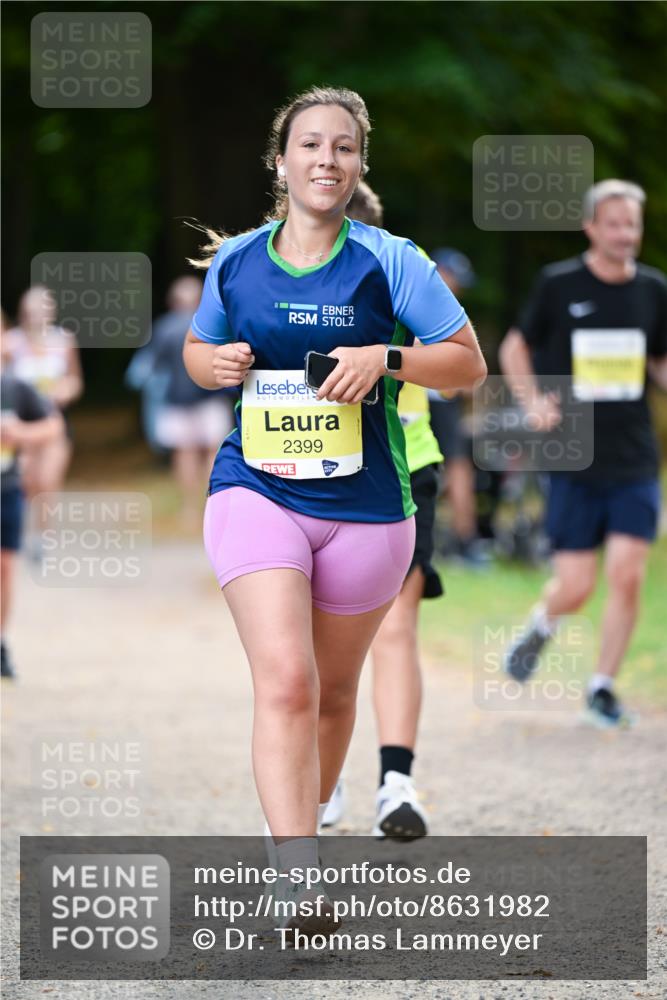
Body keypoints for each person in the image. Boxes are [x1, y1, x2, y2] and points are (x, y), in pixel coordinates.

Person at [182, 85, 486, 931]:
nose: (327, 160)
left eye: (344, 148)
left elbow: (466, 365)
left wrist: (385, 358)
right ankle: (297, 878)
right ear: (280, 161)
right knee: (285, 681)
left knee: (333, 692)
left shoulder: (393, 260)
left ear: (359, 165)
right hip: (256, 489)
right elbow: (198, 348)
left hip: (367, 510)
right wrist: (214, 366)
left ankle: (303, 830)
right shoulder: (238, 259)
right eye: (310, 145)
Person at [499, 180, 667, 727]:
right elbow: (514, 346)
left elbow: (660, 361)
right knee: (577, 584)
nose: (626, 235)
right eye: (615, 224)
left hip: (634, 455)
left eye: (633, 225)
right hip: (572, 452)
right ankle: (542, 625)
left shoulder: (653, 290)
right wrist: (530, 403)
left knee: (627, 574)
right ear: (591, 227)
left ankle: (602, 687)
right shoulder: (558, 284)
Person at [322, 181, 444, 840]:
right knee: (317, 640)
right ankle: (323, 774)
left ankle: (395, 784)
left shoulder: (402, 265)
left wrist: (385, 360)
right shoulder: (276, 269)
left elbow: (454, 357)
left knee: (395, 625)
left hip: (404, 465)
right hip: (311, 472)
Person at [3, 286, 83, 555]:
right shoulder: (12, 342)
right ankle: (20, 532)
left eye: (44, 309)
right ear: (23, 312)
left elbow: (75, 379)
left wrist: (66, 390)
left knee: (47, 480)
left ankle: (43, 538)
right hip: (20, 424)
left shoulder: (64, 340)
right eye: (33, 310)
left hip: (54, 421)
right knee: (26, 480)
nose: (39, 314)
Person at [151, 276, 235, 527]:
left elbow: (155, 367)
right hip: (213, 398)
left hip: (176, 400)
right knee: (213, 452)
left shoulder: (163, 327)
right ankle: (213, 505)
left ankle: (189, 508)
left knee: (184, 452)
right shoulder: (215, 325)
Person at [427, 250, 489, 567]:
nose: (458, 288)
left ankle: (462, 540)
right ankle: (464, 542)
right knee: (457, 469)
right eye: (455, 280)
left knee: (457, 470)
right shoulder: (422, 299)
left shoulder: (446, 308)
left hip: (442, 401)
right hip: (429, 401)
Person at [1, 366, 63, 677]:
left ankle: (0, 643)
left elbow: (53, 427)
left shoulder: (14, 387)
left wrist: (19, 433)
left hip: (7, 487)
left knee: (4, 568)